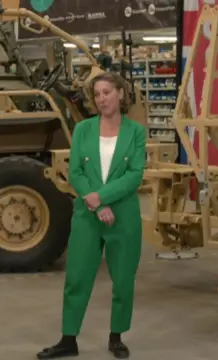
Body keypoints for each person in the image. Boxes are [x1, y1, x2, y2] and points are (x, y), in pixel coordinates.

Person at [36, 72, 146, 360]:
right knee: (77, 277)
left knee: (123, 280)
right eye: (97, 95)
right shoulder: (84, 129)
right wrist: (97, 204)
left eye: (107, 92)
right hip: (88, 214)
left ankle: (116, 337)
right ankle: (68, 339)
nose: (101, 99)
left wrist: (104, 197)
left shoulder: (135, 132)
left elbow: (135, 175)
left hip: (123, 216)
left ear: (120, 94)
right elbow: (76, 172)